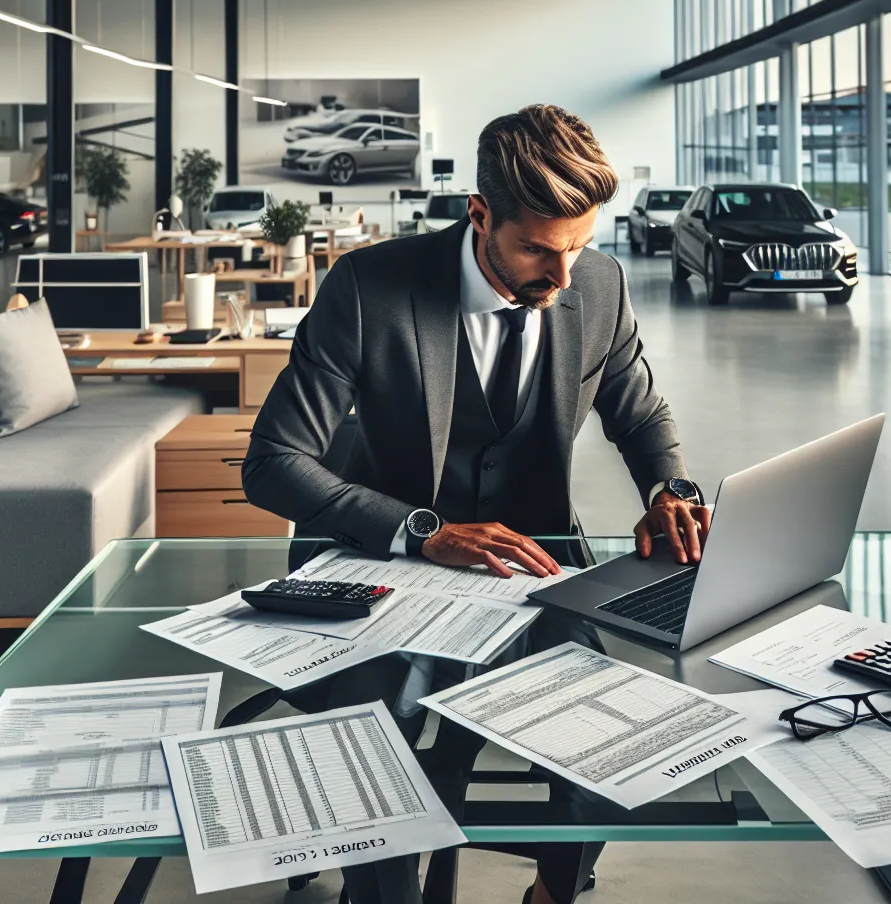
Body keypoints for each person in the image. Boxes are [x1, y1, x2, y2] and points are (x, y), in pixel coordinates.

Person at [242, 104, 709, 904]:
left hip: (536, 565)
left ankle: (557, 887)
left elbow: (639, 411)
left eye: (579, 246)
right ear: (480, 214)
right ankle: (380, 893)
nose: (562, 276)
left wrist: (670, 487)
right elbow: (273, 464)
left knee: (602, 713)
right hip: (382, 562)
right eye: (537, 248)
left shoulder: (596, 285)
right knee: (374, 723)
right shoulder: (369, 288)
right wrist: (420, 533)